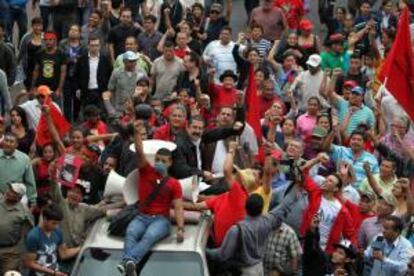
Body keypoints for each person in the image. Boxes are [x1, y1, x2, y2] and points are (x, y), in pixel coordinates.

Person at [118, 119, 184, 274]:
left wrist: (180, 228)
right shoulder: (146, 170)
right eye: (158, 160)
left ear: (170, 163)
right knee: (131, 232)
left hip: (161, 220)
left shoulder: (174, 184)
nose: (160, 163)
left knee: (149, 236)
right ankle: (129, 264)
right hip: (142, 216)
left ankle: (128, 261)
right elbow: (140, 151)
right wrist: (136, 132)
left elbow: (179, 207)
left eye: (164, 161)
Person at [206, 194, 283, 276]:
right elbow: (283, 208)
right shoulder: (267, 222)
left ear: (245, 207)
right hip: (259, 269)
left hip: (245, 271)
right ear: (261, 209)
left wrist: (206, 251)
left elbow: (223, 255)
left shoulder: (236, 230)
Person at [23, 203, 81, 276]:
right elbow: (29, 263)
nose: (56, 226)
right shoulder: (34, 236)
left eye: (58, 223)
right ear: (45, 219)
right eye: (53, 223)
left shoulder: (57, 232)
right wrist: (53, 272)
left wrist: (82, 248)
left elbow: (64, 253)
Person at [0, 183, 33, 275]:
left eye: (13, 192)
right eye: (9, 189)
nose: (9, 192)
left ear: (19, 197)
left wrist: (25, 254)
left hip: (10, 252)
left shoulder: (24, 211)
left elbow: (30, 233)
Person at [75, 35, 113, 110]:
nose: (94, 48)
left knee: (101, 114)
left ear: (100, 46)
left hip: (101, 92)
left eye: (96, 45)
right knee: (87, 114)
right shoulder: (82, 59)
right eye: (92, 45)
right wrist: (78, 88)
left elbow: (110, 75)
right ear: (88, 46)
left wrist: (109, 90)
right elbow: (76, 75)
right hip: (86, 91)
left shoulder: (105, 60)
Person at [0, 132, 36, 208]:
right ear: (3, 142)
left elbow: (30, 181)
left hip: (16, 199)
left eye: (11, 142)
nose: (8, 143)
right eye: (6, 140)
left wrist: (33, 200)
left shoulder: (24, 159)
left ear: (16, 145)